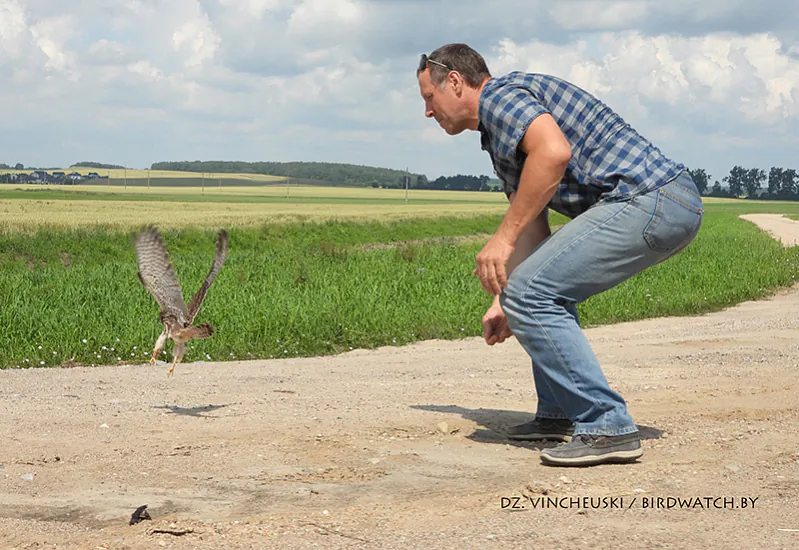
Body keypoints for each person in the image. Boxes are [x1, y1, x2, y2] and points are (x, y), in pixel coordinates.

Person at [416, 43, 703, 467]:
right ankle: (558, 414)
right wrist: (505, 300)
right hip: (659, 203)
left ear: (455, 82)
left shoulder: (500, 97)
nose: (428, 111)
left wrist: (502, 240)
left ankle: (607, 426)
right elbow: (534, 229)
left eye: (429, 97)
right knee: (534, 290)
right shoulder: (497, 134)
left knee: (532, 293)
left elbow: (553, 153)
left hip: (650, 198)